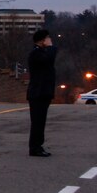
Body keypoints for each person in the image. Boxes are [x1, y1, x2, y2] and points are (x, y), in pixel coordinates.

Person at [27, 29, 57, 157]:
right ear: (41, 40)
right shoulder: (36, 54)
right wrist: (50, 47)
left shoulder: (41, 53)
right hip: (37, 93)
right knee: (37, 121)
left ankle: (38, 145)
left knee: (40, 121)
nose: (49, 40)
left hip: (43, 92)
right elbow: (48, 59)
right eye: (47, 38)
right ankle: (35, 147)